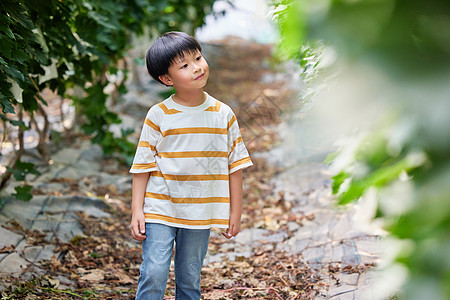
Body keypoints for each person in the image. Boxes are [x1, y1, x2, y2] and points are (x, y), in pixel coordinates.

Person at [129, 31, 253, 300]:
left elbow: (235, 166)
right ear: (166, 78)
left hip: (201, 211)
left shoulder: (223, 114)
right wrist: (137, 210)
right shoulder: (159, 115)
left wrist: (236, 212)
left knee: (189, 277)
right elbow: (143, 166)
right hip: (161, 207)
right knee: (153, 272)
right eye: (184, 65)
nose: (197, 67)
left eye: (198, 58)